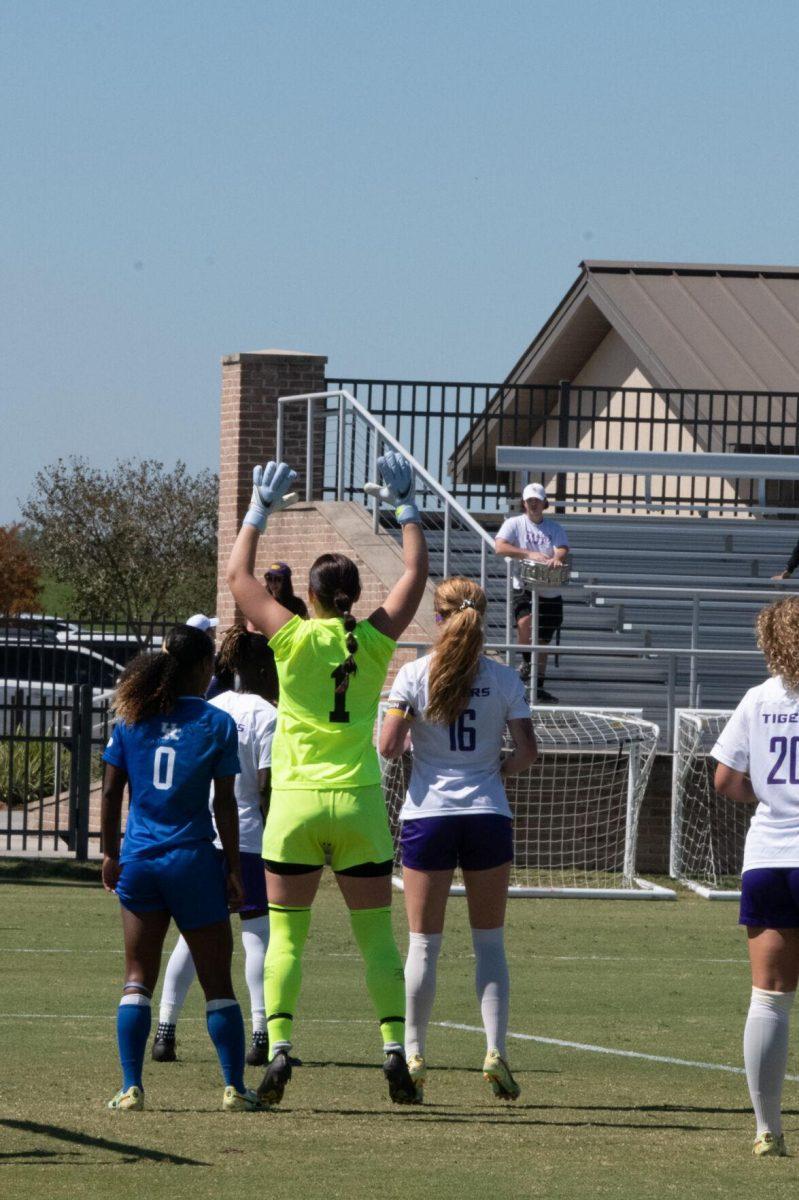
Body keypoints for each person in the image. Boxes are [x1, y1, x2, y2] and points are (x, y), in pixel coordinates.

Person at [226, 454, 429, 1108]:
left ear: (309, 595)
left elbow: (237, 577)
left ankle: (279, 1047)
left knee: (286, 935)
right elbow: (417, 574)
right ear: (354, 596)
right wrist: (404, 505)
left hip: (294, 806)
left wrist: (258, 511)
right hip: (360, 802)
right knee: (375, 939)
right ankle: (394, 1049)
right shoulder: (372, 641)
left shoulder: (289, 637)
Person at [379, 577, 538, 1102]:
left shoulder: (414, 673)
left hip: (430, 816)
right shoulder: (504, 678)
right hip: (488, 813)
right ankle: (494, 1051)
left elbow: (387, 745)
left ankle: (415, 1053)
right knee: (489, 943)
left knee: (424, 944)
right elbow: (527, 752)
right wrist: (498, 772)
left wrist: (413, 744)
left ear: (439, 617)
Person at [100, 624, 260, 1112]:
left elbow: (109, 791)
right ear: (204, 667)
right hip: (192, 860)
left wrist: (110, 855)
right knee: (217, 980)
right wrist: (233, 867)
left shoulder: (131, 718)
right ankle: (234, 1086)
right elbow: (225, 805)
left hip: (141, 860)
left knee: (136, 978)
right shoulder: (215, 723)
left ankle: (132, 1087)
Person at [152, 625, 278, 1067]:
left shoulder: (211, 706)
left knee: (193, 935)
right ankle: (262, 1033)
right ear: (264, 667)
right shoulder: (267, 713)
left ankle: (165, 1029)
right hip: (249, 837)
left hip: (208, 835)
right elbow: (264, 786)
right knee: (258, 936)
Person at [712, 596, 799, 1158]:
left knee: (768, 998)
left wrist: (770, 800)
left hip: (769, 855)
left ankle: (767, 1128)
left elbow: (725, 780)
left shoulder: (757, 698)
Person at [494, 482, 569, 703]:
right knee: (525, 622)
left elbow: (562, 547)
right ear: (524, 503)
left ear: (544, 503)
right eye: (529, 501)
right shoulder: (515, 523)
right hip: (524, 585)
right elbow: (500, 546)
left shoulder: (554, 528)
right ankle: (527, 662)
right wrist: (528, 553)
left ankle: (538, 685)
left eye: (537, 501)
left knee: (543, 641)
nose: (533, 504)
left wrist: (557, 557)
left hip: (549, 589)